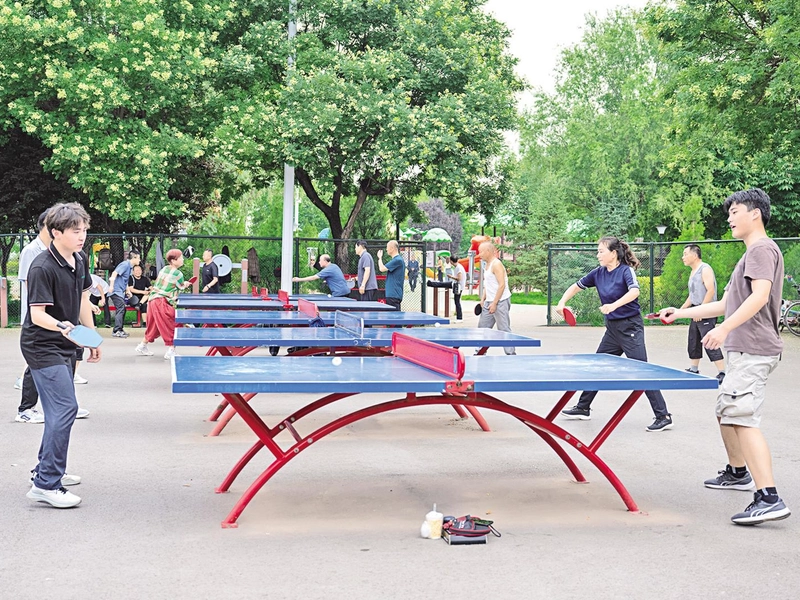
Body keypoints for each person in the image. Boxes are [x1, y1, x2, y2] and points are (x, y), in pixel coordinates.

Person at [660, 188, 790, 525]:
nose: (729, 218)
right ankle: (737, 472)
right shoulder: (751, 254)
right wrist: (683, 313)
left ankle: (769, 497)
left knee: (742, 416)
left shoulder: (761, 249)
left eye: (735, 212)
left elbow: (759, 297)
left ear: (755, 214)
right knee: (726, 411)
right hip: (745, 349)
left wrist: (723, 329)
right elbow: (727, 302)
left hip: (754, 348)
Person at [23, 202, 100, 509]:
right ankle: (46, 483)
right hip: (42, 345)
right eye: (75, 231)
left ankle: (45, 471)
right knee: (66, 408)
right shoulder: (42, 266)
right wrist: (63, 327)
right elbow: (37, 314)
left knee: (59, 412)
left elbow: (83, 299)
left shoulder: (79, 259)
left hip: (66, 342)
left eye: (84, 230)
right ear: (56, 232)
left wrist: (92, 338)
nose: (82, 236)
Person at [556, 236, 672, 432]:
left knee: (642, 370)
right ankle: (583, 407)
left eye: (601, 251)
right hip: (612, 329)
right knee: (598, 365)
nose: (598, 254)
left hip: (630, 328)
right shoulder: (598, 273)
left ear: (613, 253)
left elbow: (634, 292)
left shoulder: (626, 271)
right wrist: (561, 302)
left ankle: (663, 416)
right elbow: (576, 286)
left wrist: (613, 306)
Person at [680, 244, 726, 382]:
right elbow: (692, 295)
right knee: (693, 339)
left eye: (685, 254)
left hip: (706, 310)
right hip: (696, 310)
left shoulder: (705, 269)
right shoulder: (693, 271)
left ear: (694, 255)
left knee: (709, 341)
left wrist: (702, 309)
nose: (683, 257)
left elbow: (710, 290)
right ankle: (694, 369)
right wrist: (679, 311)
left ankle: (723, 372)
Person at [135, 249, 191, 360]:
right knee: (175, 322)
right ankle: (171, 350)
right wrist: (186, 284)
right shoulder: (178, 274)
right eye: (180, 258)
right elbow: (181, 286)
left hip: (152, 300)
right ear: (174, 261)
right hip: (161, 302)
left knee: (154, 326)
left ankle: (142, 346)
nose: (182, 259)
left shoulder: (164, 268)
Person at [477, 241, 515, 355]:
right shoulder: (486, 265)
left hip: (500, 301)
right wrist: (483, 299)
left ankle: (511, 354)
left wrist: (494, 303)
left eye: (481, 252)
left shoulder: (496, 264)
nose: (479, 254)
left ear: (488, 251)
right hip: (489, 301)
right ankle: (480, 352)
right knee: (482, 328)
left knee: (503, 329)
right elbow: (488, 284)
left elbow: (502, 285)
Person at [108, 250, 141, 338]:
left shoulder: (129, 267)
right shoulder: (125, 265)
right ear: (134, 258)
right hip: (115, 291)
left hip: (119, 291)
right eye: (138, 258)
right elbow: (114, 273)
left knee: (122, 309)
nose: (139, 260)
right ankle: (117, 331)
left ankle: (120, 329)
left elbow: (124, 280)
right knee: (121, 308)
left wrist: (128, 291)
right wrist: (111, 286)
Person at [377, 240, 406, 309]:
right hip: (392, 294)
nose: (386, 249)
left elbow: (382, 268)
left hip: (394, 295)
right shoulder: (396, 260)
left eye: (387, 247)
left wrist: (379, 258)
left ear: (392, 248)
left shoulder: (397, 260)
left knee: (394, 318)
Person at [447, 256, 467, 322]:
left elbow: (459, 278)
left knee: (457, 301)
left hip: (459, 286)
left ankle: (459, 317)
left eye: (450, 261)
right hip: (458, 285)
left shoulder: (458, 268)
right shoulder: (458, 266)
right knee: (456, 301)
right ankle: (459, 316)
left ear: (452, 261)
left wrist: (451, 277)